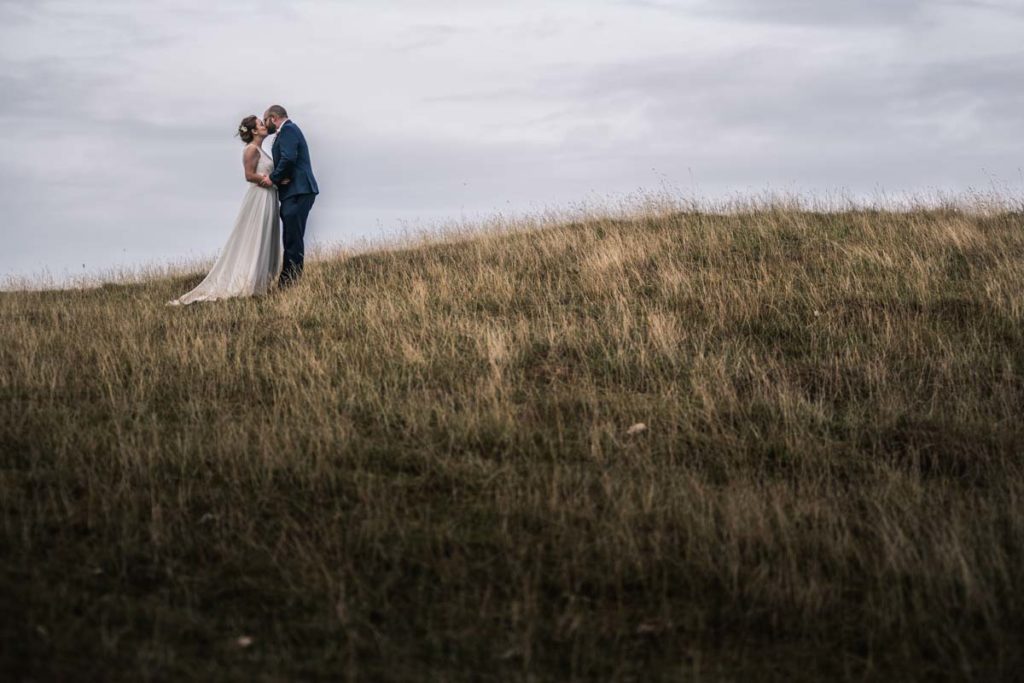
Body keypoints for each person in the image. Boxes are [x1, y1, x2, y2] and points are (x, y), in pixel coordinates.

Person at [167, 116, 282, 305]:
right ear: (254, 131)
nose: (264, 126)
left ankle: (261, 282)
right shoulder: (251, 150)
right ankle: (249, 283)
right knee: (255, 236)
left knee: (265, 235)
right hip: (259, 197)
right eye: (261, 124)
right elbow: (249, 175)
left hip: (268, 196)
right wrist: (267, 179)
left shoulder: (261, 149)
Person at [263, 104, 319, 288]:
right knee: (291, 237)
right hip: (294, 191)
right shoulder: (287, 131)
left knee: (293, 238)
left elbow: (288, 158)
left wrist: (273, 179)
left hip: (298, 190)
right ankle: (288, 280)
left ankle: (289, 283)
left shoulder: (288, 130)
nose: (265, 126)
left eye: (265, 121)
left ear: (273, 117)